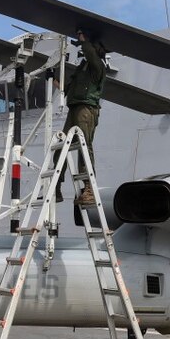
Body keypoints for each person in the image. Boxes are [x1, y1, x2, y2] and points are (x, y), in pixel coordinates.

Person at [55, 29, 107, 206]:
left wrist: (83, 40)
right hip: (75, 108)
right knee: (62, 145)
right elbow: (67, 88)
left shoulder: (97, 67)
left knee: (84, 146)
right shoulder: (81, 69)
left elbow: (91, 55)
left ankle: (89, 188)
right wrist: (52, 79)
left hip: (87, 109)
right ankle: (56, 187)